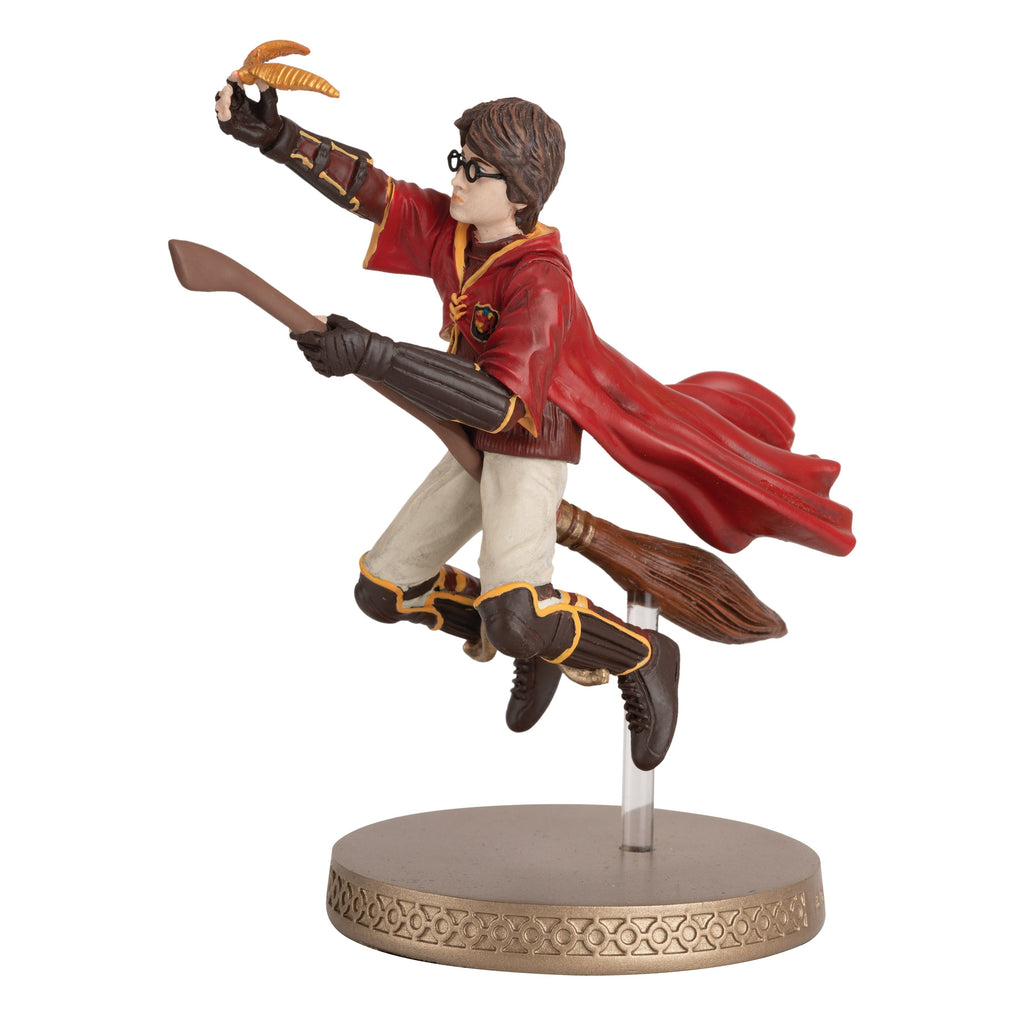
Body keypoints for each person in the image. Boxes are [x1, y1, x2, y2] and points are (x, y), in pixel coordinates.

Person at [214, 79, 854, 771]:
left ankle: (641, 655)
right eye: (458, 161)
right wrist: (277, 137)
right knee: (386, 589)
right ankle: (535, 638)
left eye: (475, 170)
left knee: (516, 613)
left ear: (519, 192)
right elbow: (375, 191)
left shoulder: (542, 281)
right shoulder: (458, 236)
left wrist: (376, 356)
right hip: (471, 428)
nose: (456, 179)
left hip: (527, 439)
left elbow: (504, 403)